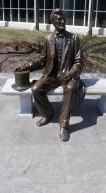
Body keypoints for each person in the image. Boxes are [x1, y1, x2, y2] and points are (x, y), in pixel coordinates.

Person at [15, 8, 84, 141]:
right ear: (52, 22)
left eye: (64, 18)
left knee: (70, 89)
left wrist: (70, 74)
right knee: (36, 89)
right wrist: (27, 66)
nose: (62, 21)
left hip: (68, 75)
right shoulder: (48, 39)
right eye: (59, 19)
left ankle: (64, 125)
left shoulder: (74, 38)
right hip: (51, 75)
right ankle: (48, 114)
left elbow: (79, 61)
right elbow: (42, 59)